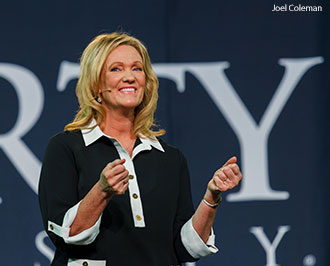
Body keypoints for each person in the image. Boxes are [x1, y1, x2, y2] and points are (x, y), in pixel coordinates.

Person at [38, 32, 242, 266]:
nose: (129, 77)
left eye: (137, 68)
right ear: (95, 83)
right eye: (116, 69)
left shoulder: (170, 158)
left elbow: (185, 249)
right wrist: (102, 190)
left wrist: (211, 197)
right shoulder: (66, 147)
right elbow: (64, 235)